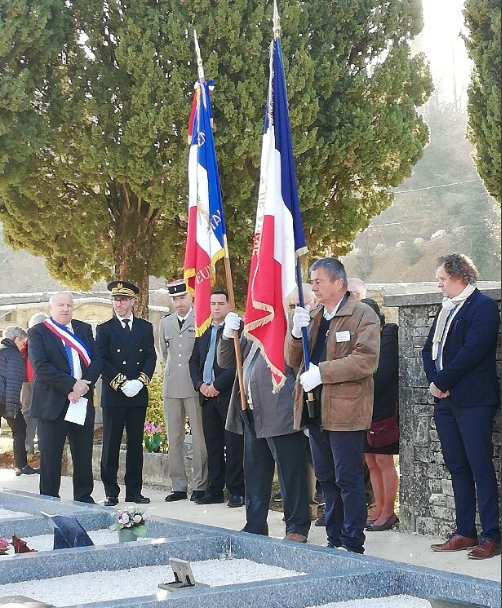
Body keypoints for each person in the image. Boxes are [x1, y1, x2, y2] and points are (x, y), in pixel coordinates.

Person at [288, 257, 380, 553]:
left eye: (318, 281)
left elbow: (365, 360)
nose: (312, 287)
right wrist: (293, 334)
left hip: (345, 412)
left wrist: (322, 373)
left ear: (338, 283)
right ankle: (334, 537)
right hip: (315, 410)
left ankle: (352, 542)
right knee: (326, 478)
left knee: (348, 479)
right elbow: (294, 361)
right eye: (312, 281)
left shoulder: (362, 314)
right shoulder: (315, 315)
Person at [422, 254, 501, 560]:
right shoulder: (445, 309)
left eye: (442, 278)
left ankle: (491, 534)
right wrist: (435, 381)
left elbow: (473, 351)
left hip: (474, 399)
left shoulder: (482, 307)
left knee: (480, 466)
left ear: (459, 276)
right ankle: (465, 530)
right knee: (457, 465)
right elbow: (429, 348)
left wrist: (442, 380)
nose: (439, 284)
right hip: (445, 400)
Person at [219, 313, 311, 543]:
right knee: (255, 474)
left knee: (291, 474)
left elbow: (296, 360)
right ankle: (255, 523)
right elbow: (227, 361)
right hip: (251, 411)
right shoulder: (254, 328)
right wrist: (227, 335)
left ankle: (297, 526)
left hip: (280, 413)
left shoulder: (287, 326)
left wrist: (296, 334)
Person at [28, 292, 102, 503]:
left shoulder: (83, 329)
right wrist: (71, 386)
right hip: (53, 404)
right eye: (60, 305)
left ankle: (83, 498)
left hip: (82, 400)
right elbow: (41, 367)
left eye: (69, 305)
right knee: (50, 458)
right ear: (51, 308)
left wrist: (84, 385)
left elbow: (97, 359)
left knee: (82, 455)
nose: (65, 309)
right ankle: (49, 501)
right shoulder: (38, 332)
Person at [97, 280, 157, 506]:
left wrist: (141, 381)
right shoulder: (104, 329)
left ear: (133, 301)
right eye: (115, 299)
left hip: (137, 394)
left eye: (123, 299)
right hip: (114, 394)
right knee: (110, 444)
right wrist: (121, 382)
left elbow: (151, 356)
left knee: (135, 445)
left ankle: (134, 490)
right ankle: (111, 490)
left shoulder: (144, 327)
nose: (118, 304)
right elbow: (101, 360)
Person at [189, 290, 244, 507]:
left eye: (221, 303)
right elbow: (194, 361)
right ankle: (215, 489)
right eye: (213, 303)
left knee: (233, 445)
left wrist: (217, 386)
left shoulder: (236, 329)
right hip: (206, 395)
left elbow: (238, 362)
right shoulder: (203, 331)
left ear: (230, 305)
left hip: (227, 395)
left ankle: (236, 490)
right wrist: (200, 385)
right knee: (212, 444)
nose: (216, 307)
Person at [160, 280, 208, 502]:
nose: (179, 303)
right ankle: (178, 485)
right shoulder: (165, 323)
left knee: (199, 438)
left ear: (191, 298)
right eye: (175, 299)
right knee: (174, 437)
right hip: (171, 387)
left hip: (193, 386)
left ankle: (200, 484)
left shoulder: (200, 321)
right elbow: (164, 353)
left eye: (183, 298)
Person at [361, 298, 400, 532]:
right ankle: (377, 508)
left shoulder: (388, 336)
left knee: (384, 459)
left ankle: (388, 511)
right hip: (363, 406)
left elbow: (383, 373)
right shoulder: (359, 336)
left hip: (383, 405)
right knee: (370, 460)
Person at [0, 326, 39, 476]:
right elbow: (13, 383)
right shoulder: (14, 355)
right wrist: (13, 407)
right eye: (23, 340)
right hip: (5, 399)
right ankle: (21, 466)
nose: (24, 344)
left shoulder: (2, 350)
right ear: (16, 339)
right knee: (20, 429)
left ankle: (20, 465)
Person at [20, 312, 48, 454]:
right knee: (33, 413)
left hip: (33, 381)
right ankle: (31, 445)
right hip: (32, 382)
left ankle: (30, 446)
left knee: (31, 413)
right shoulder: (42, 340)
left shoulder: (26, 342)